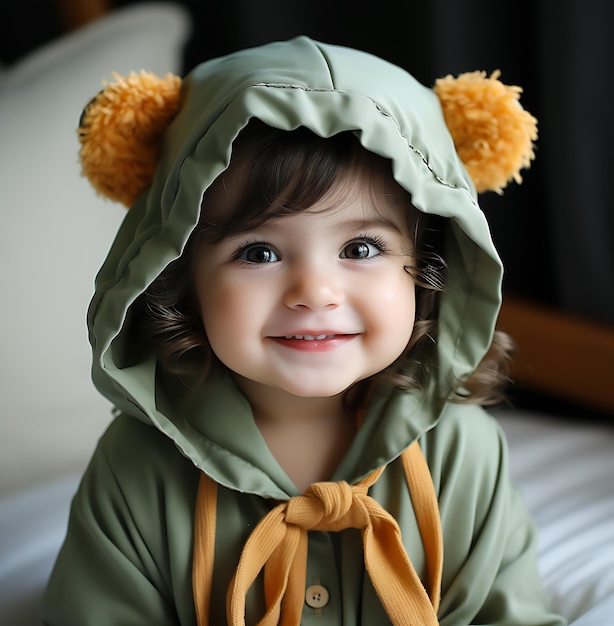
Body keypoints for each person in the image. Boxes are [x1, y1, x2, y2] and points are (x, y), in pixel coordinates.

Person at [42, 37, 565, 625]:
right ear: (180, 277)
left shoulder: (463, 454)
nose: (315, 292)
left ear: (428, 270)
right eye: (259, 252)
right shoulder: (134, 469)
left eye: (360, 247)